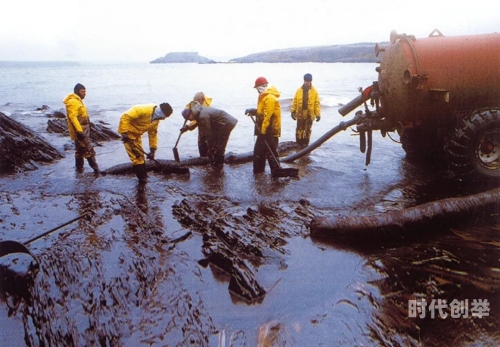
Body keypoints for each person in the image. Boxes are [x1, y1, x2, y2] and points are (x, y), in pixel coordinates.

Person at [118, 103, 173, 183]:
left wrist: (152, 150)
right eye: (165, 117)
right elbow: (125, 117)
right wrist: (124, 133)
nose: (164, 119)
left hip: (137, 134)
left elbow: (153, 135)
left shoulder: (155, 121)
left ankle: (145, 176)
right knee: (136, 157)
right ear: (161, 113)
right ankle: (142, 179)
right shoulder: (142, 110)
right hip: (128, 134)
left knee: (141, 155)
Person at [181, 101, 238, 167]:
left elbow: (209, 134)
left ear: (191, 114)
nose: (189, 120)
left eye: (188, 118)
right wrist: (188, 127)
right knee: (216, 144)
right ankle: (215, 164)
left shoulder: (202, 116)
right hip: (221, 123)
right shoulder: (198, 111)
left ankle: (219, 166)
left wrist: (210, 149)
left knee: (220, 145)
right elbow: (198, 122)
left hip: (226, 123)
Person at [245, 77, 282, 174]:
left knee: (271, 153)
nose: (257, 90)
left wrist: (263, 131)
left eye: (258, 87)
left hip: (270, 130)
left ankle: (276, 172)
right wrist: (253, 111)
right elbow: (262, 112)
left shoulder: (270, 98)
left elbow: (267, 116)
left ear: (262, 86)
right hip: (264, 129)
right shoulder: (262, 97)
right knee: (259, 152)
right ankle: (258, 172)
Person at [63, 83, 100, 174]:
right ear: (77, 91)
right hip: (80, 131)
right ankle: (96, 170)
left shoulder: (78, 100)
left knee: (79, 151)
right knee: (89, 149)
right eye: (82, 92)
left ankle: (79, 170)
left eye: (85, 91)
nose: (85, 93)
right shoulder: (73, 102)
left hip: (84, 130)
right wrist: (79, 132)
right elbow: (73, 117)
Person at [290, 73, 321, 146]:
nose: (307, 82)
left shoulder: (314, 91)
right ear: (303, 80)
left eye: (308, 81)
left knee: (308, 129)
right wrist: (293, 111)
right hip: (300, 112)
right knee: (299, 129)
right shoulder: (299, 90)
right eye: (305, 81)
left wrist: (318, 114)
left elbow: (317, 103)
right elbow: (295, 101)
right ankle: (298, 143)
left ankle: (306, 144)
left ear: (311, 81)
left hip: (309, 113)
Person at [182, 92, 213, 157]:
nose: (195, 103)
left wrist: (188, 127)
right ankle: (202, 158)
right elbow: (190, 105)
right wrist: (186, 111)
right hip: (201, 124)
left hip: (207, 125)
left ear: (202, 100)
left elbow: (196, 121)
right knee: (201, 141)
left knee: (205, 141)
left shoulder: (205, 107)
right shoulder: (196, 102)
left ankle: (206, 158)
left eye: (197, 101)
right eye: (194, 101)